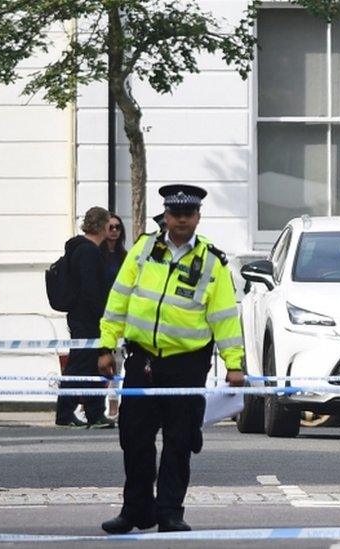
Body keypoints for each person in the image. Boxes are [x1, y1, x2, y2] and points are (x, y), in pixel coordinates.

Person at [97, 184, 245, 534]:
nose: (180, 220)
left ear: (197, 217)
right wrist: (107, 347)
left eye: (187, 214)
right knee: (133, 437)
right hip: (142, 360)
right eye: (174, 213)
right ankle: (136, 510)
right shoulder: (144, 249)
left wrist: (234, 365)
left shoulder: (213, 261)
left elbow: (224, 317)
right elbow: (119, 298)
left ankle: (169, 512)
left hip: (186, 363)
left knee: (180, 440)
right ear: (165, 216)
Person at [55, 207, 114, 428]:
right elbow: (91, 289)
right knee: (80, 364)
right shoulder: (88, 252)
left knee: (91, 365)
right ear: (103, 225)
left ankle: (95, 412)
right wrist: (102, 314)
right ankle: (65, 412)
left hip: (82, 315)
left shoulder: (79, 249)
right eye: (109, 224)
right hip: (88, 317)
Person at [100, 213, 128, 419]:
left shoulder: (125, 257)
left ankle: (113, 404)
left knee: (117, 363)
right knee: (96, 360)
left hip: (119, 314)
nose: (114, 231)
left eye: (117, 227)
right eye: (110, 227)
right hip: (99, 312)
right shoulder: (95, 255)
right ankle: (89, 404)